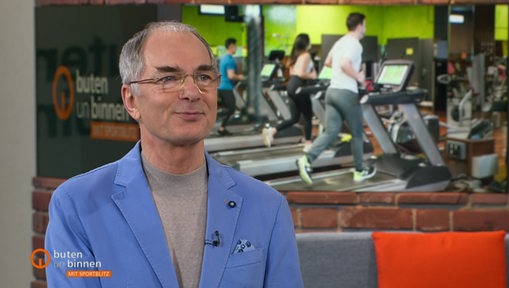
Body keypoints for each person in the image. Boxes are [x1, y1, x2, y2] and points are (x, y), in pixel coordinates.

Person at [45, 21, 303, 288]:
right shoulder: (77, 205)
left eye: (203, 77)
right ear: (131, 100)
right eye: (168, 78)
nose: (192, 93)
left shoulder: (267, 207)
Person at [296, 12, 376, 185]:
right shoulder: (355, 44)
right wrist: (359, 76)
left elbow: (328, 62)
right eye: (365, 25)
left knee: (331, 131)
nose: (365, 28)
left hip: (332, 92)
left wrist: (344, 73)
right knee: (356, 133)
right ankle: (359, 171)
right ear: (360, 25)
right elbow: (344, 64)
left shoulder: (340, 42)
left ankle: (307, 159)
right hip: (346, 93)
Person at [262, 33, 317, 150]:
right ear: (306, 43)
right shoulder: (306, 55)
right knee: (308, 116)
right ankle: (308, 143)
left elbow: (293, 72)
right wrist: (312, 75)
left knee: (294, 118)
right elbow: (301, 73)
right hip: (299, 86)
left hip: (291, 86)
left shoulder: (294, 56)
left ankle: (272, 131)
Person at [217, 38, 245, 136]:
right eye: (235, 46)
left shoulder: (223, 58)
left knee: (228, 108)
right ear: (231, 46)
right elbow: (231, 75)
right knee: (231, 108)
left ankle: (221, 127)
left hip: (221, 86)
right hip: (226, 87)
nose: (236, 48)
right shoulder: (229, 60)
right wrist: (240, 77)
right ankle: (219, 124)